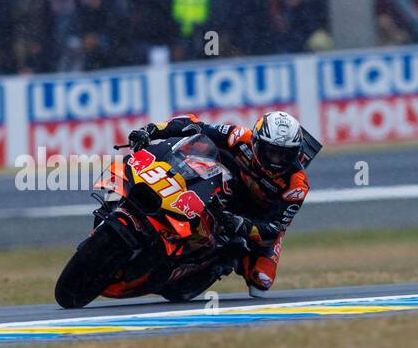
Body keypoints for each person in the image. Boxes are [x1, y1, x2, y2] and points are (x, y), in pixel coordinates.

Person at [127, 111, 316, 298]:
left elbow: (276, 228)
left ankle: (223, 260)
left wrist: (244, 225)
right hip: (221, 186)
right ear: (257, 142)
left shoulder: (296, 184)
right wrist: (151, 130)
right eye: (272, 152)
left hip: (255, 217)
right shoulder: (240, 137)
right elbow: (195, 125)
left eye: (285, 154)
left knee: (261, 281)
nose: (277, 160)